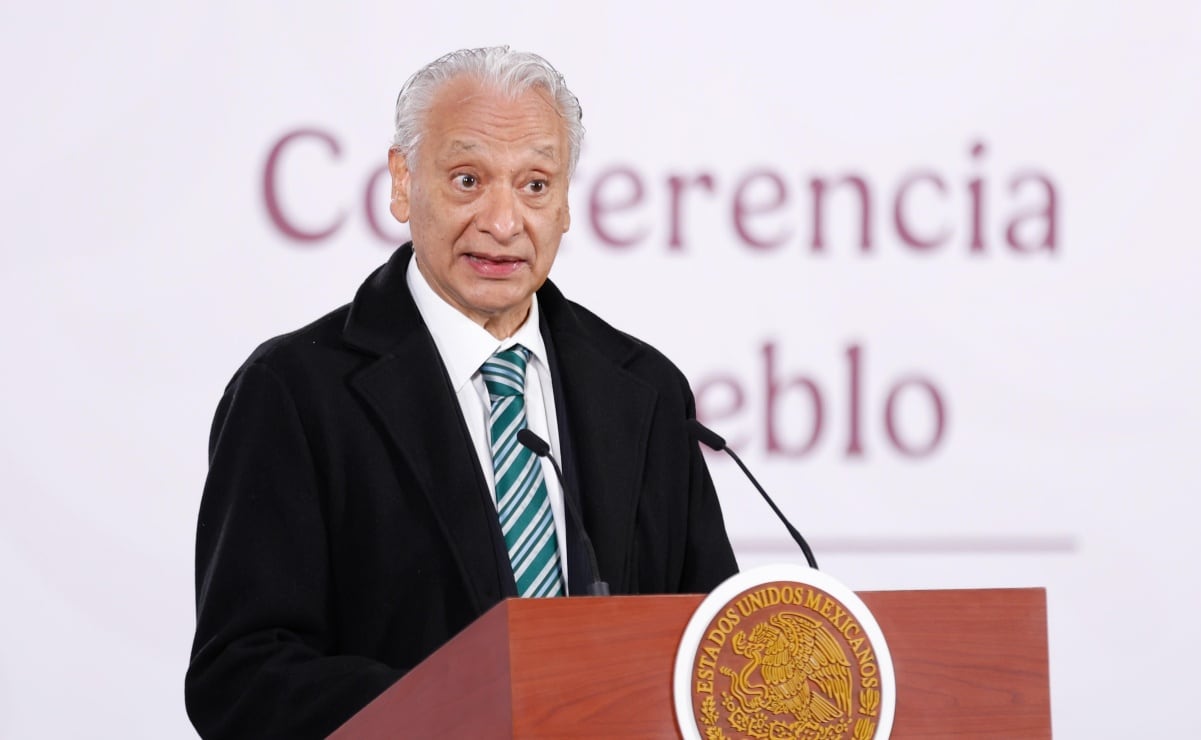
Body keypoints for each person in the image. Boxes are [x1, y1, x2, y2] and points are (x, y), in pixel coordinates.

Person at [184, 46, 738, 739]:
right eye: (468, 179)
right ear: (400, 182)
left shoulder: (644, 390)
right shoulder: (295, 393)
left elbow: (714, 644)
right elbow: (241, 675)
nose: (503, 222)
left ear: (566, 201)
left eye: (535, 185)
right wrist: (459, 712)